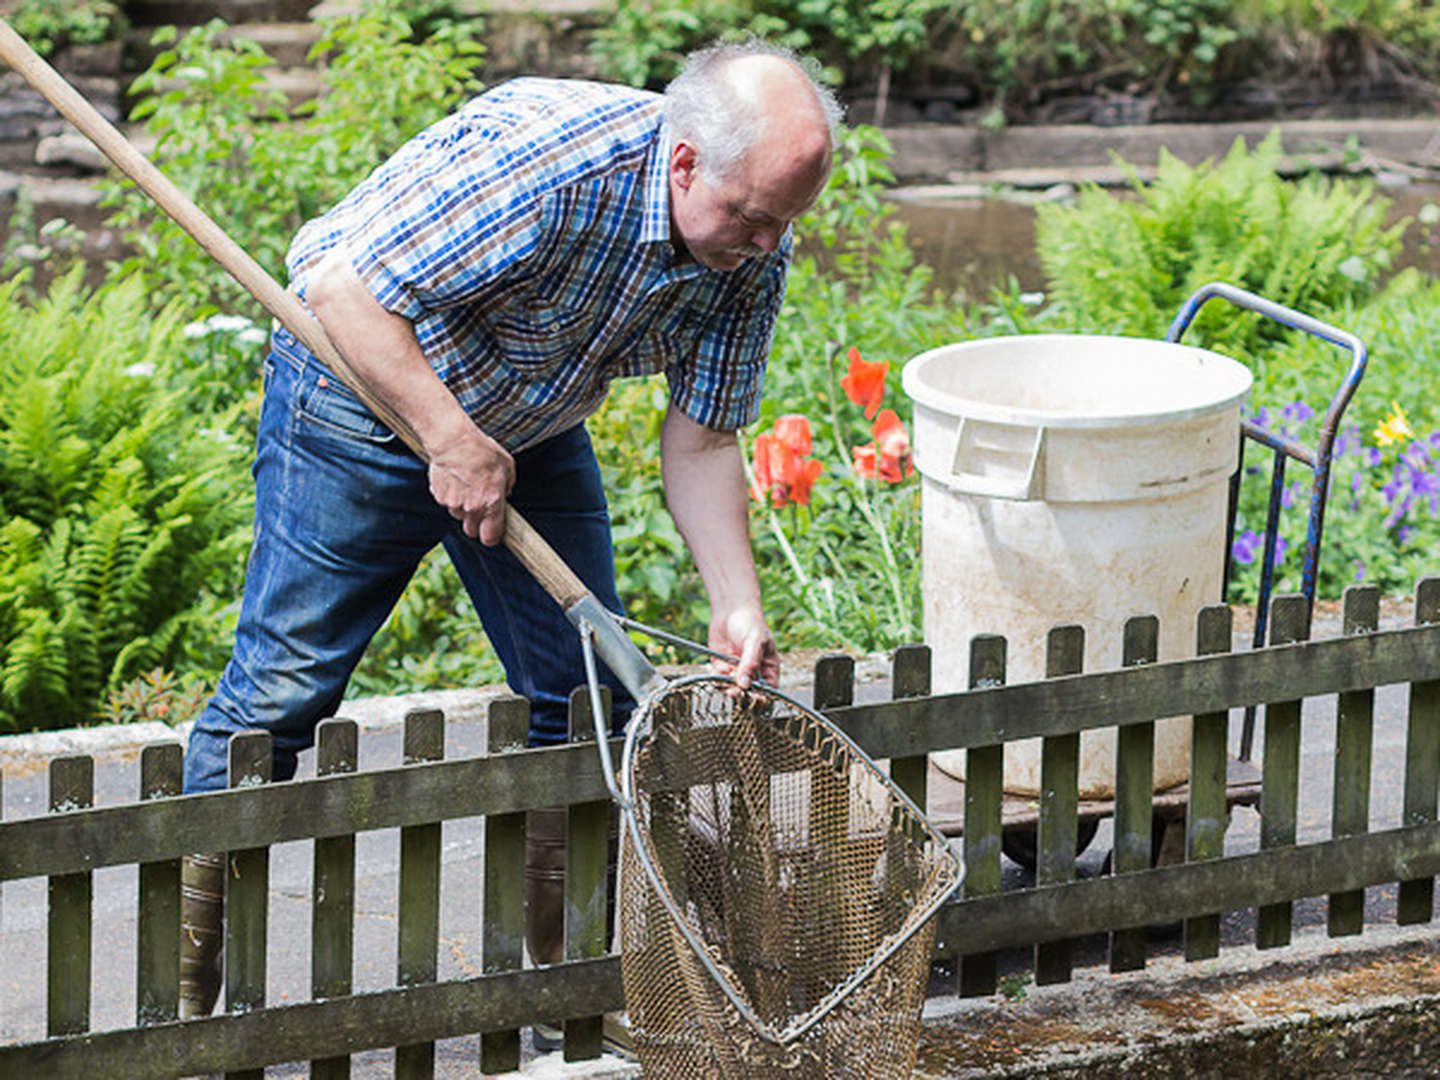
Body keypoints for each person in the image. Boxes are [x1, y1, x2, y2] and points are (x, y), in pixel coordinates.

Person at [177, 39, 844, 1023]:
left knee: (585, 696)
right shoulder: (554, 164)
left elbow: (702, 438)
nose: (762, 244)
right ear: (687, 161)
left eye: (780, 224)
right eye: (749, 218)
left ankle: (561, 994)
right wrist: (448, 437)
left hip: (526, 426)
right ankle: (190, 1003)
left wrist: (735, 601)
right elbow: (337, 285)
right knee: (281, 695)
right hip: (357, 395)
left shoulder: (751, 246)